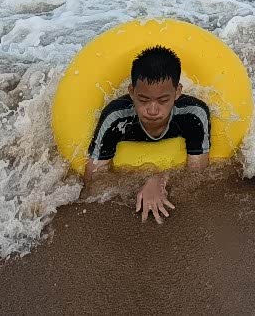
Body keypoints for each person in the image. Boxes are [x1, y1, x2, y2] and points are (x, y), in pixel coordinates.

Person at [83, 46, 211, 222]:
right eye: (143, 100)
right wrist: (140, 184)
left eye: (163, 100)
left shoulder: (194, 114)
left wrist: (161, 179)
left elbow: (198, 174)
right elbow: (93, 181)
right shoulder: (116, 117)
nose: (152, 110)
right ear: (131, 92)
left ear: (177, 92)